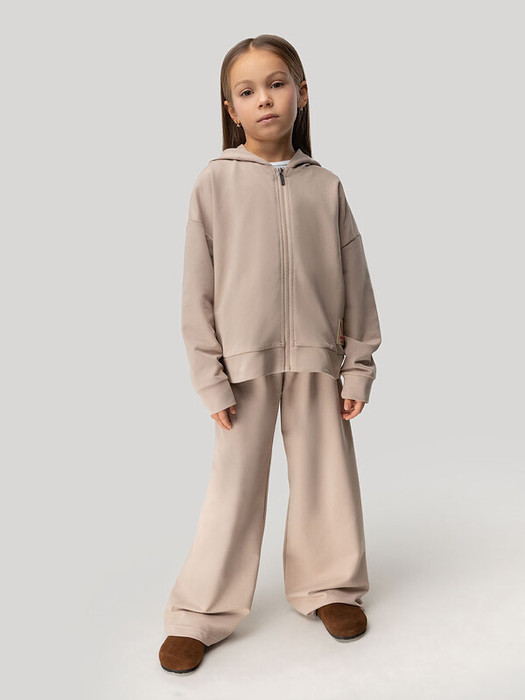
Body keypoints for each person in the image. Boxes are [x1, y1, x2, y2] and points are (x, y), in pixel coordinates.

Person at [159, 34, 382, 674]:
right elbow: (196, 290)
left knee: (326, 477)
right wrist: (209, 377)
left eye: (277, 84)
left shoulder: (326, 186)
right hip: (241, 365)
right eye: (247, 91)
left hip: (319, 360)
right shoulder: (214, 183)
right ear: (230, 109)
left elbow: (357, 284)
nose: (265, 99)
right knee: (232, 488)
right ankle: (199, 613)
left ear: (301, 94)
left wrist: (358, 366)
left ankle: (330, 587)